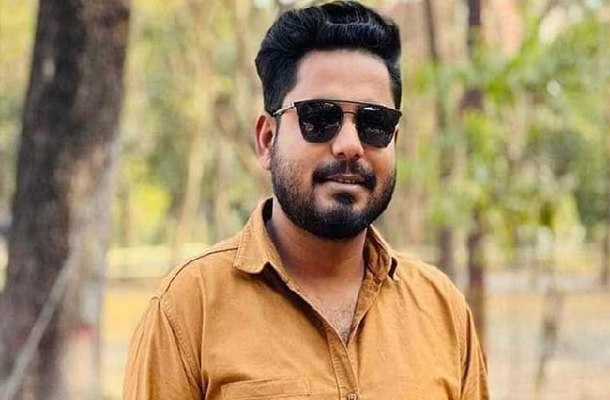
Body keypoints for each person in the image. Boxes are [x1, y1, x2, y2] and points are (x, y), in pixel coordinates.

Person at [123, 1, 489, 399]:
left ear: (394, 141)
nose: (349, 145)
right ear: (267, 140)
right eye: (319, 118)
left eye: (374, 123)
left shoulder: (441, 310)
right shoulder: (189, 310)